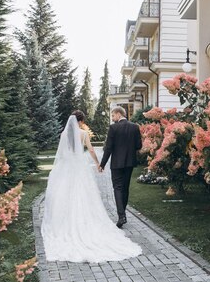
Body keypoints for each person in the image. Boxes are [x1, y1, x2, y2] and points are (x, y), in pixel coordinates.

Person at [41, 110, 141, 262]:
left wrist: (101, 163)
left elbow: (60, 154)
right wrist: (97, 164)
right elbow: (92, 149)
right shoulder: (83, 133)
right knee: (85, 194)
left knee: (64, 194)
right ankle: (120, 214)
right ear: (80, 121)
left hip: (66, 168)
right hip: (82, 168)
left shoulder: (63, 135)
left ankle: (63, 223)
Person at [99, 106, 142, 228]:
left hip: (117, 163)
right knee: (125, 188)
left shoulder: (113, 128)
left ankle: (121, 216)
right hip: (129, 163)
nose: (112, 118)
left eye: (113, 116)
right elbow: (139, 145)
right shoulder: (135, 127)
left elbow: (108, 148)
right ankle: (122, 214)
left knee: (117, 188)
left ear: (119, 114)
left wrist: (102, 164)